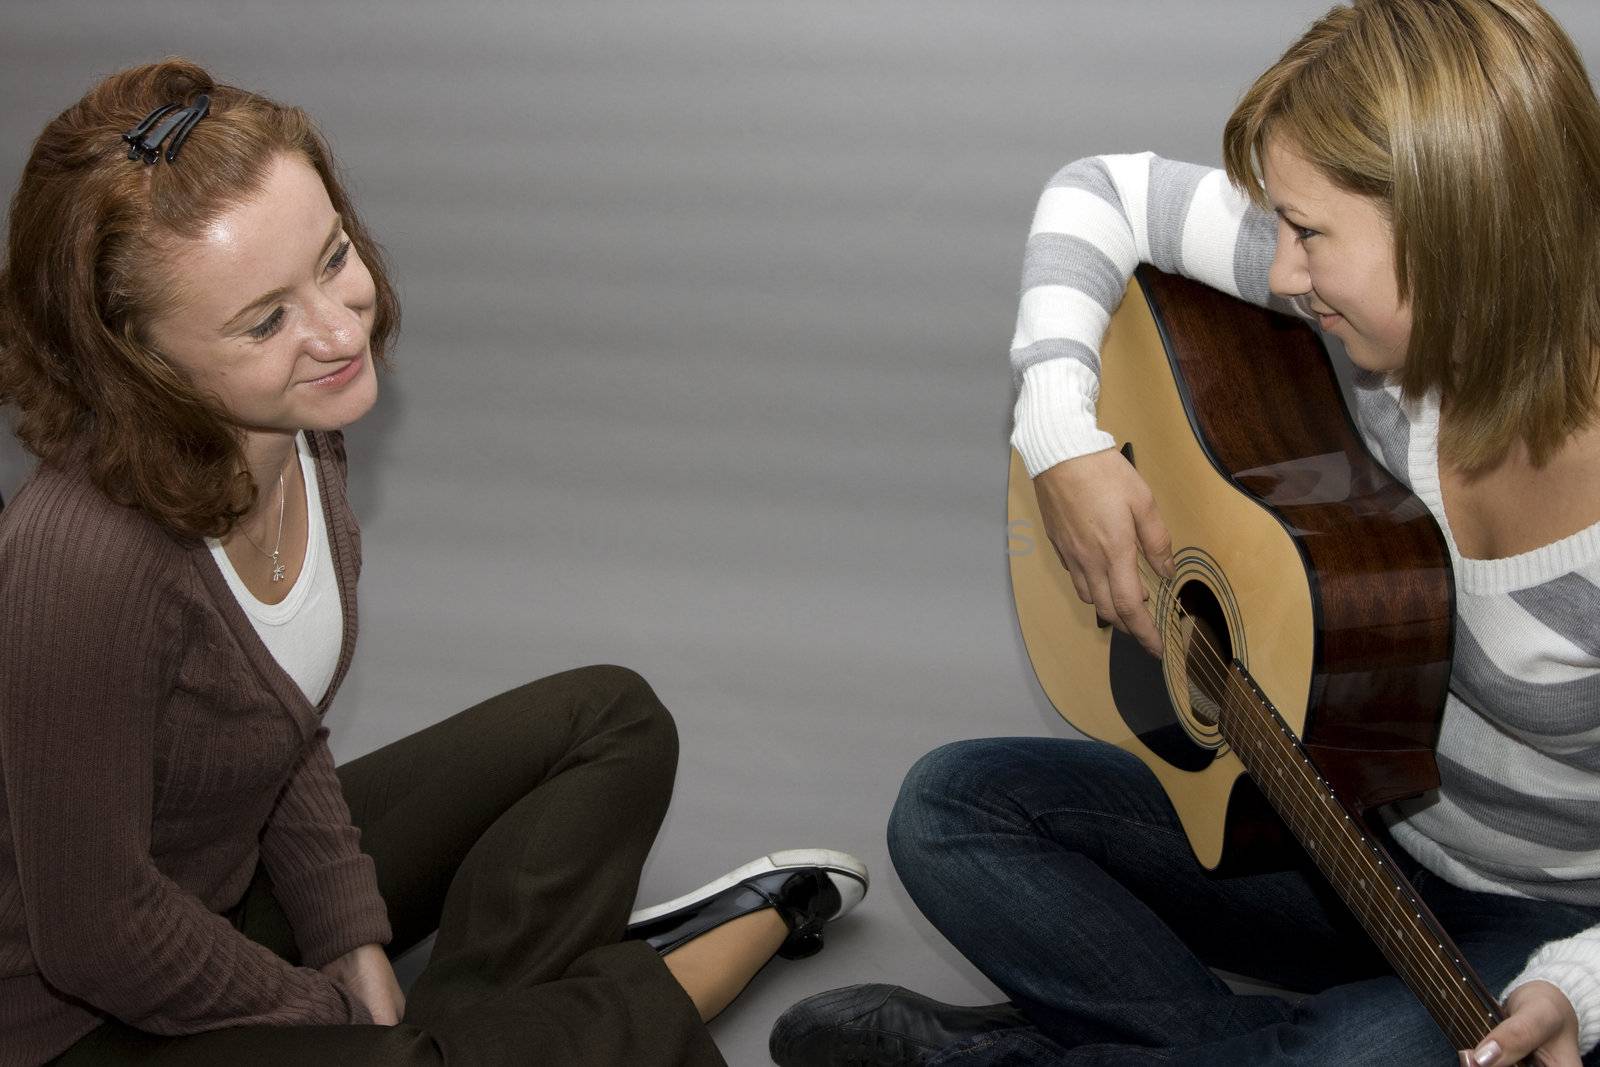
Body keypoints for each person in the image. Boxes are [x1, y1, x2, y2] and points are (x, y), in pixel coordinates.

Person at [769, 1, 1600, 1064]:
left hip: (1534, 923)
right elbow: (1101, 194)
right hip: (1334, 822)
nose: (1281, 272)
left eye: (1305, 234)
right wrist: (1064, 436)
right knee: (952, 808)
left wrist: (1577, 986)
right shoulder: (1385, 291)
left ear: (1455, 232)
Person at [0, 59, 869, 1067]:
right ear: (136, 361)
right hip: (71, 1023)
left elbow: (279, 734)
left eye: (330, 258)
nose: (338, 329)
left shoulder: (295, 426)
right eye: (265, 319)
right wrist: (333, 1017)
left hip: (220, 897)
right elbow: (94, 928)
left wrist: (351, 936)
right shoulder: (82, 562)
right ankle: (666, 980)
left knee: (614, 720)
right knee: (398, 1056)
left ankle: (498, 1032)